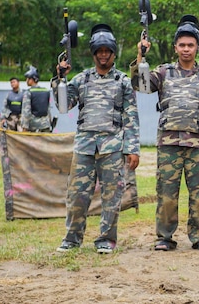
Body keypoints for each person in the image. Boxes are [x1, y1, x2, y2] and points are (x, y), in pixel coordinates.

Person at [130, 14, 199, 252]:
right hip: (169, 143)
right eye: (182, 45)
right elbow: (141, 85)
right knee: (166, 193)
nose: (186, 49)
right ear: (175, 48)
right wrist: (141, 56)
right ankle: (164, 236)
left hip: (197, 143)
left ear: (198, 48)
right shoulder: (163, 72)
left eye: (190, 45)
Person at [52, 23, 140, 254]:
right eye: (99, 51)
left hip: (112, 148)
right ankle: (72, 239)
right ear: (93, 53)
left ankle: (106, 239)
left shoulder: (122, 81)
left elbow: (131, 116)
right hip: (84, 147)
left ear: (113, 53)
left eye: (107, 51)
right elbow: (64, 105)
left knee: (112, 196)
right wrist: (59, 78)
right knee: (77, 196)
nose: (103, 55)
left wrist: (133, 148)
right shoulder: (81, 80)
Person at [21, 66, 54, 133]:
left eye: (28, 78)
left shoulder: (28, 92)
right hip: (45, 125)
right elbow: (48, 109)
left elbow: (26, 111)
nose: (26, 80)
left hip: (33, 126)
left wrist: (24, 127)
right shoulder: (46, 91)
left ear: (32, 79)